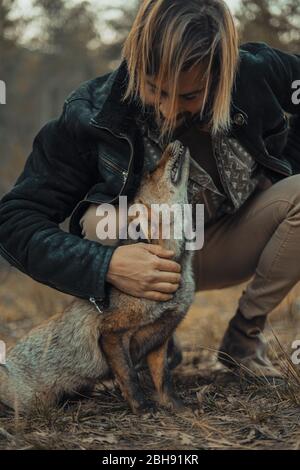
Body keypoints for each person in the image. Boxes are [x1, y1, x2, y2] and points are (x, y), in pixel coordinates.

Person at [0, 0, 300, 376]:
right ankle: (147, 339)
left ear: (224, 70)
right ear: (137, 61)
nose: (170, 110)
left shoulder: (259, 73)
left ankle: (243, 337)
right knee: (100, 220)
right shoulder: (90, 114)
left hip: (227, 242)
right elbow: (14, 220)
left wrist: (282, 172)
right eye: (156, 90)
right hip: (142, 262)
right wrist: (104, 265)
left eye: (190, 96)